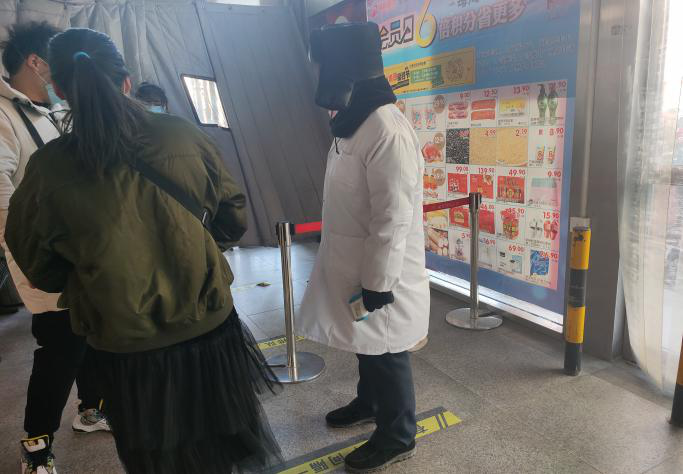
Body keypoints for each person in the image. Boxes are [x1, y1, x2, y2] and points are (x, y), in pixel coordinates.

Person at [5, 28, 282, 474]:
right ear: (127, 81)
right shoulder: (182, 135)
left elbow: (37, 263)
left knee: (155, 456)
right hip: (209, 324)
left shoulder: (49, 167)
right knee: (222, 444)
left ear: (58, 88)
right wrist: (192, 249)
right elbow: (232, 217)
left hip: (125, 345)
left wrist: (87, 277)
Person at [297, 22, 430, 473]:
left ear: (345, 68)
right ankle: (369, 402)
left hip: (381, 267)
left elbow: (393, 218)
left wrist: (378, 283)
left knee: (387, 349)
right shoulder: (353, 121)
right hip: (354, 260)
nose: (318, 75)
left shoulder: (387, 130)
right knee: (365, 341)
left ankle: (398, 435)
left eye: (322, 66)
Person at [0, 22, 109, 474]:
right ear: (35, 62)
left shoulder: (48, 112)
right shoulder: (4, 115)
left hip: (77, 248)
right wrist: (37, 251)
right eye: (55, 62)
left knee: (90, 332)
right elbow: (2, 196)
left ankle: (91, 410)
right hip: (43, 254)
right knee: (60, 346)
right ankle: (36, 446)